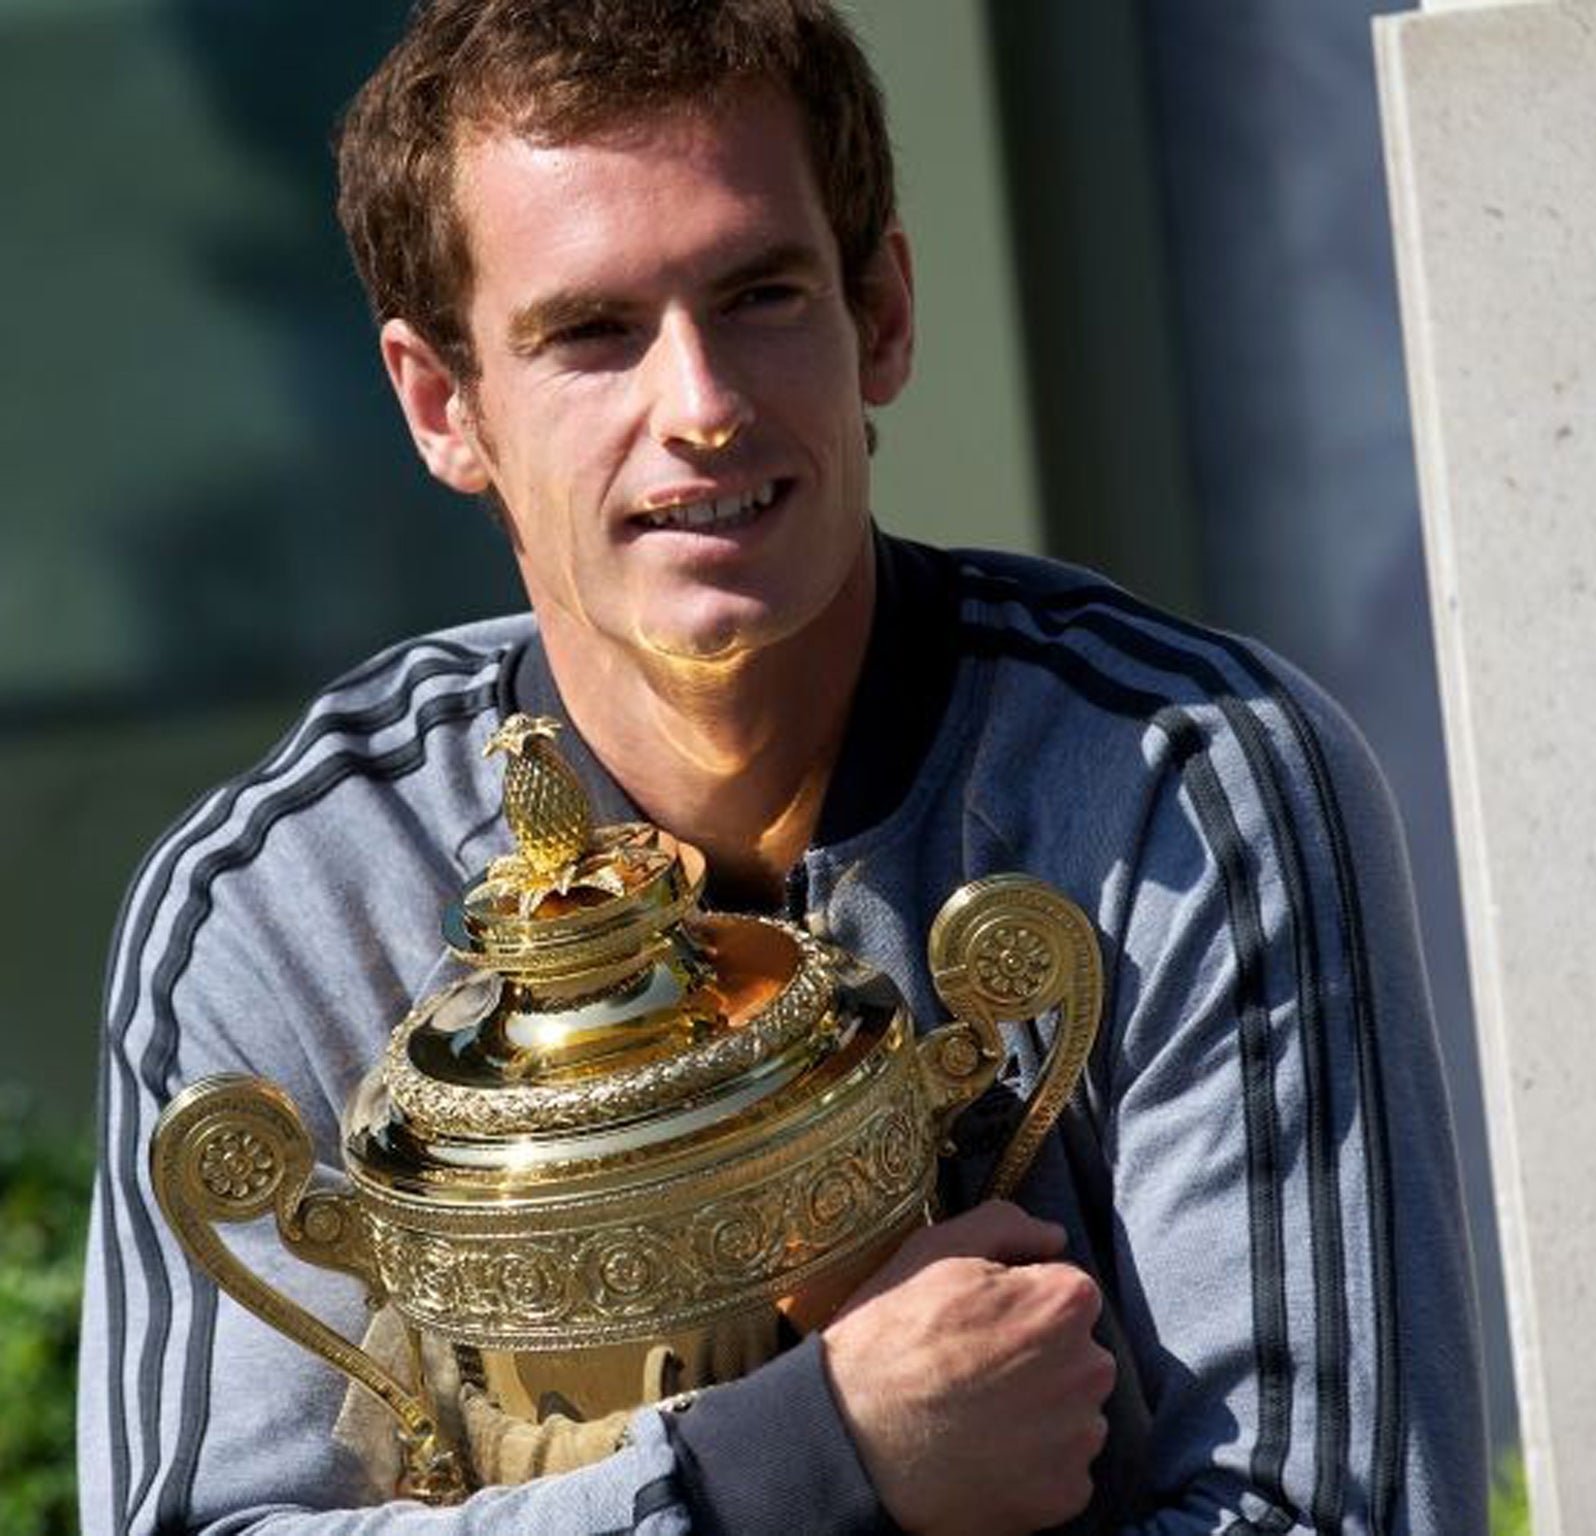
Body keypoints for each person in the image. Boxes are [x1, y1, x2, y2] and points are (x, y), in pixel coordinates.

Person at [78, 1, 1488, 1531]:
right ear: (445, 405)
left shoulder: (1185, 793)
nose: (700, 406)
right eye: (590, 334)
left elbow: (1328, 1514)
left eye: (758, 294)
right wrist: (804, 1463)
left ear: (880, 311)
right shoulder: (286, 900)